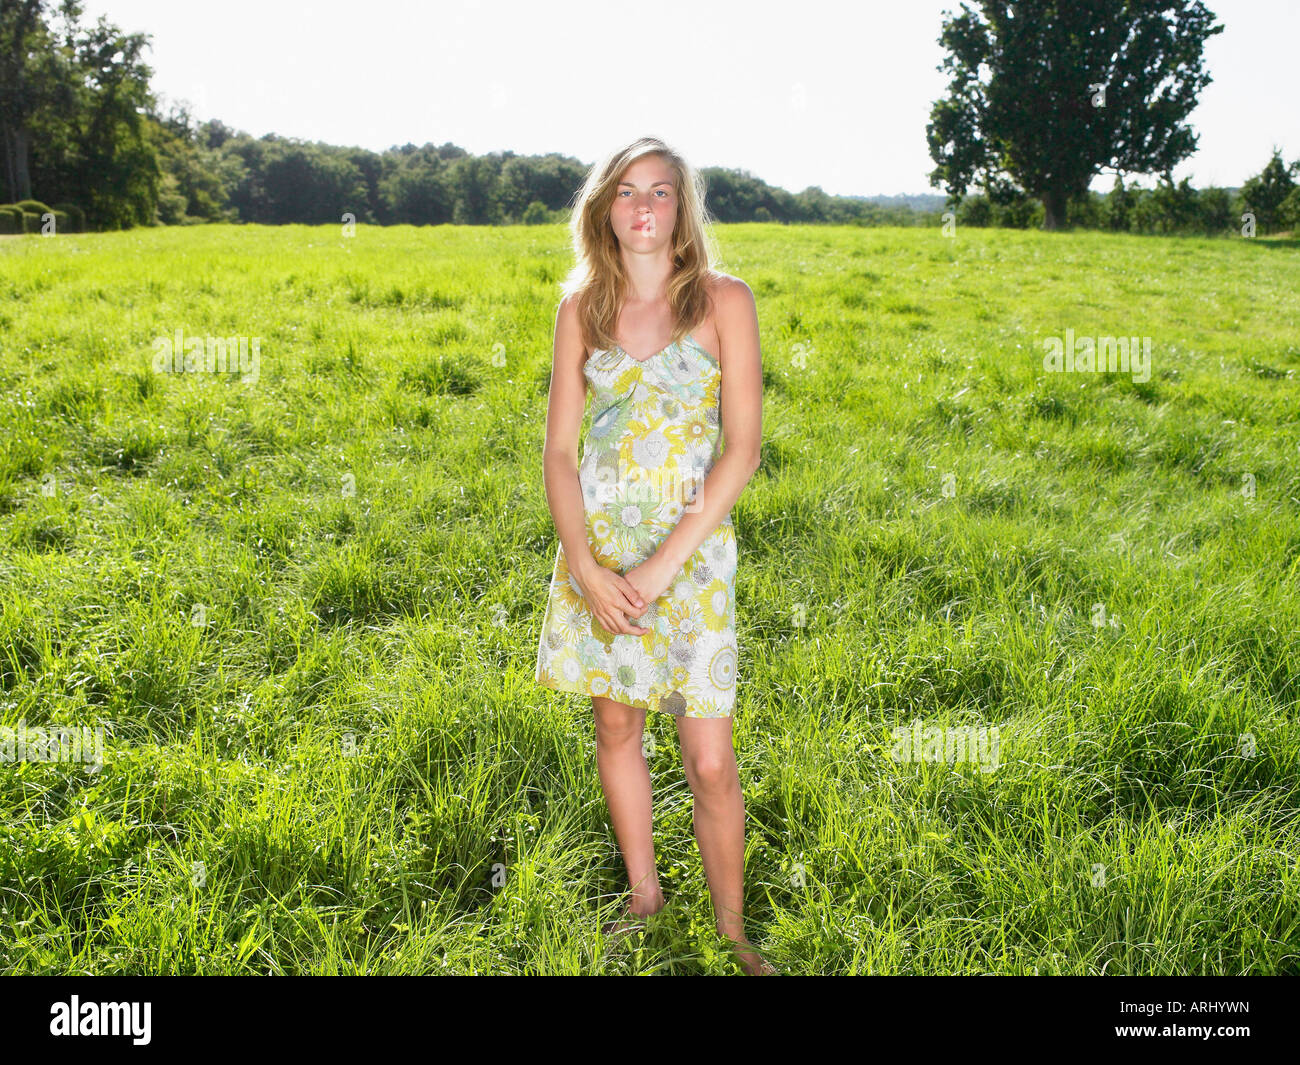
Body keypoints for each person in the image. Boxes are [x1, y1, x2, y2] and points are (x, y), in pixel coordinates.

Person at [534, 137, 770, 974]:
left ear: (682, 207)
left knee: (709, 757)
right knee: (616, 721)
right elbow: (559, 453)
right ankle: (645, 894)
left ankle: (733, 930)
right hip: (600, 554)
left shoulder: (722, 302)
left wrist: (662, 565)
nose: (643, 207)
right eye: (627, 192)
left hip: (690, 557)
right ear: (604, 207)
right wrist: (587, 566)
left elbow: (740, 448)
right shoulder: (581, 309)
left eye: (661, 193)